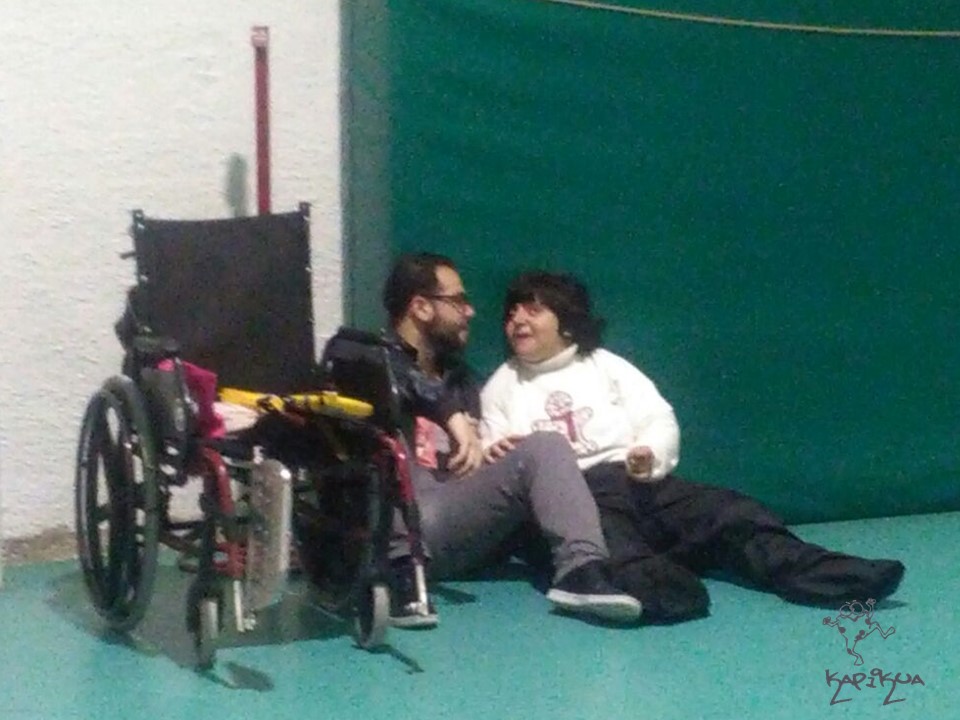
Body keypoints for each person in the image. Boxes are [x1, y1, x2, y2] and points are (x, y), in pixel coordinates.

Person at [480, 270, 905, 624]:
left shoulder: (605, 366)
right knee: (612, 544)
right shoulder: (503, 386)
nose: (517, 320)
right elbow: (495, 453)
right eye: (511, 313)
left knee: (730, 513)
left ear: (567, 322)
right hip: (579, 499)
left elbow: (656, 416)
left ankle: (825, 573)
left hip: (637, 482)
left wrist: (648, 453)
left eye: (533, 310)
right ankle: (656, 587)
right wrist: (496, 451)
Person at [380, 253, 641, 627]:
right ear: (421, 307)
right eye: (458, 301)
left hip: (447, 521)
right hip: (390, 531)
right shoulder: (367, 360)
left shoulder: (462, 380)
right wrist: (451, 414)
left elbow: (466, 464)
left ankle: (581, 572)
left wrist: (491, 453)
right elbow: (402, 379)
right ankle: (402, 575)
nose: (470, 312)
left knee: (545, 445)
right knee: (381, 444)